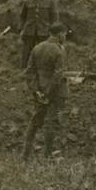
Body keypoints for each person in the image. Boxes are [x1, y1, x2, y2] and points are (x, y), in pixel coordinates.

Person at [22, 20, 68, 161]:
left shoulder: (37, 48)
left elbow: (29, 72)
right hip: (55, 93)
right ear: (60, 34)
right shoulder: (59, 50)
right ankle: (47, 156)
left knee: (35, 121)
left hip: (39, 91)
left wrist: (36, 91)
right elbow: (58, 74)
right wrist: (48, 93)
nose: (65, 37)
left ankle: (25, 155)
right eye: (64, 34)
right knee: (51, 122)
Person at [18, 0, 57, 71]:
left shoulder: (50, 2)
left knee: (43, 51)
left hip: (44, 30)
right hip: (29, 30)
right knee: (26, 51)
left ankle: (43, 69)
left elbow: (54, 18)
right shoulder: (28, 1)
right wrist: (21, 29)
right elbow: (22, 16)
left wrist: (52, 31)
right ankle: (24, 70)